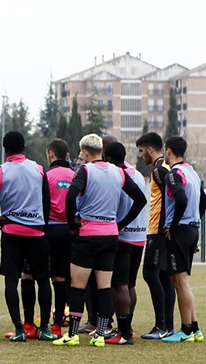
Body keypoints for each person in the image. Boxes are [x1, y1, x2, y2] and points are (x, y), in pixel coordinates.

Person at [53, 134, 146, 347]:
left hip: (87, 235)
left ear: (85, 152)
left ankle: (73, 334)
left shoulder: (85, 170)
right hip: (110, 236)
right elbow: (140, 199)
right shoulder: (118, 172)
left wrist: (72, 224)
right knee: (104, 287)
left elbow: (70, 197)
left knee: (78, 286)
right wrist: (120, 224)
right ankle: (100, 335)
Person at [0, 131, 54, 342]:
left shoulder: (0, 172)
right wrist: (41, 223)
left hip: (12, 233)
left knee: (11, 282)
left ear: (5, 149)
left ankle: (19, 330)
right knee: (43, 280)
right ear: (24, 148)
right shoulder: (38, 169)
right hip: (36, 232)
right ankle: (45, 329)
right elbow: (46, 200)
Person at [161, 136, 206, 343]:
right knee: (182, 282)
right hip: (192, 229)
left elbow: (180, 199)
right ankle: (195, 328)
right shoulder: (192, 172)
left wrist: (175, 223)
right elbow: (204, 201)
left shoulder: (174, 174)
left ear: (168, 151)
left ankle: (186, 330)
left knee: (180, 282)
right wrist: (193, 221)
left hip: (180, 231)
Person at [104, 142, 147, 345]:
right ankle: (127, 328)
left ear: (108, 159)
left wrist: (120, 223)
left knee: (118, 285)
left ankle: (124, 334)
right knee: (130, 284)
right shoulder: (137, 173)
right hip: (139, 237)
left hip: (122, 237)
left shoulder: (115, 176)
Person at [136, 132, 176, 339]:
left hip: (158, 231)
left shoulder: (160, 169)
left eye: (142, 151)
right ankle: (167, 326)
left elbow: (174, 197)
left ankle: (162, 325)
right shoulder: (162, 168)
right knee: (163, 276)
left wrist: (167, 225)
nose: (141, 156)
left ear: (150, 149)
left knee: (151, 274)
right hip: (159, 231)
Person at [44, 139, 75, 338]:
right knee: (66, 279)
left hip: (51, 230)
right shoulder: (76, 175)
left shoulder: (47, 176)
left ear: (51, 155)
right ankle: (60, 322)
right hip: (71, 232)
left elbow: (42, 203)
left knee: (48, 277)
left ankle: (49, 324)